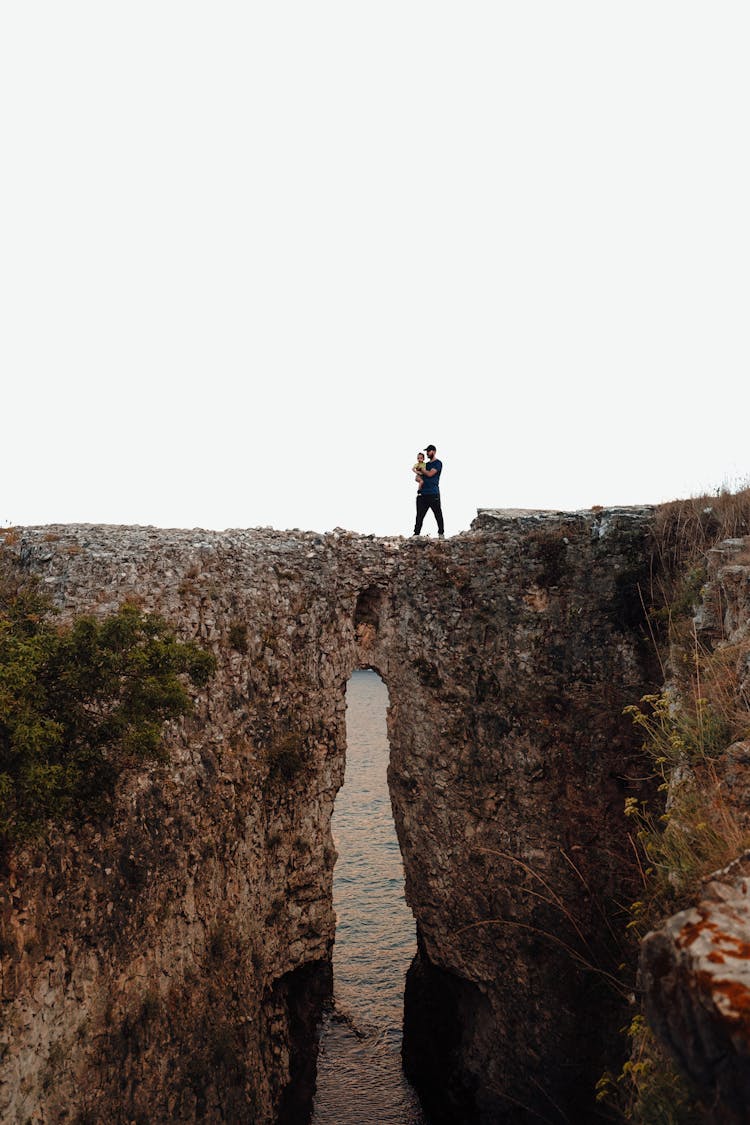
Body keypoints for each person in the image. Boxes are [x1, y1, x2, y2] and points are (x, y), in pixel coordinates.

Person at [413, 444, 444, 537]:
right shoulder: (425, 464)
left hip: (433, 493)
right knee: (419, 516)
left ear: (434, 451)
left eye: (429, 451)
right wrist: (418, 476)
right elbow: (417, 477)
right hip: (422, 494)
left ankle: (441, 534)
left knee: (438, 514)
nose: (427, 453)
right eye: (426, 451)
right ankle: (416, 535)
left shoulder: (438, 463)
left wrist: (422, 470)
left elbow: (430, 474)